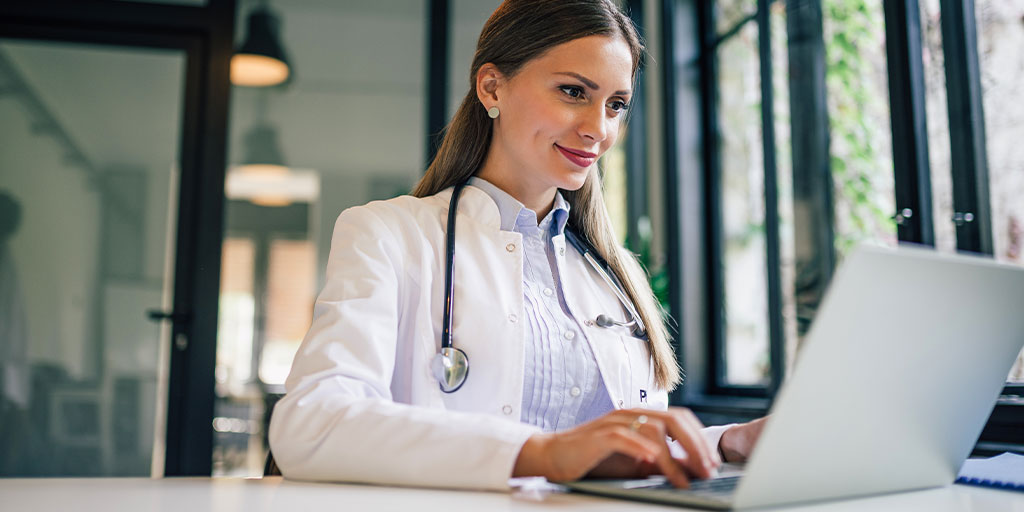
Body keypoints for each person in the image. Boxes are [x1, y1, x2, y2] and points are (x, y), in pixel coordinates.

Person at [269, 0, 766, 490]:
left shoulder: (614, 276)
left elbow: (625, 450)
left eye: (616, 104)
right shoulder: (389, 234)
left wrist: (726, 444)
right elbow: (313, 424)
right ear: (492, 88)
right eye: (573, 91)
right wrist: (541, 454)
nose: (600, 128)